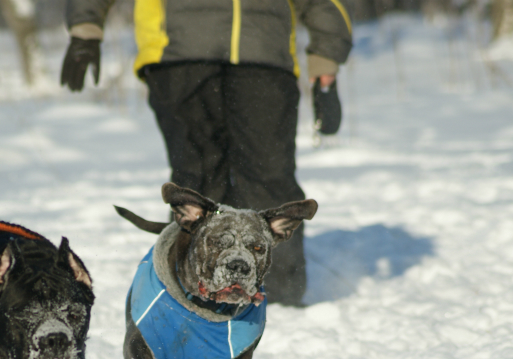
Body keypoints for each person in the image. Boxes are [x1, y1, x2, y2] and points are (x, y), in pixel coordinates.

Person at [61, 0, 353, 306]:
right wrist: (85, 27)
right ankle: (184, 297)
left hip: (265, 50)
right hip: (178, 48)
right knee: (195, 188)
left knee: (271, 182)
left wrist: (326, 57)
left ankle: (278, 302)